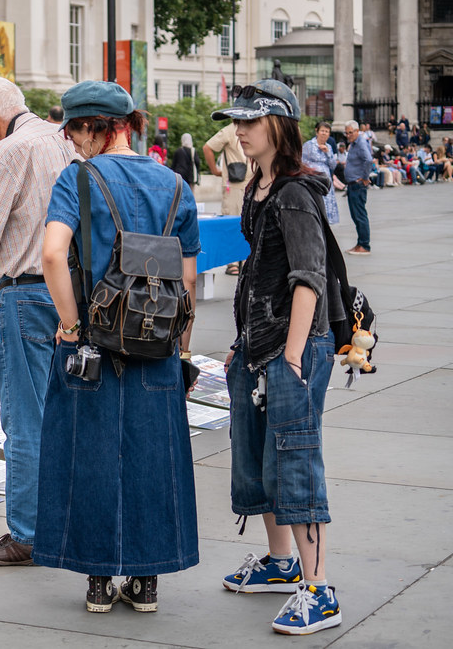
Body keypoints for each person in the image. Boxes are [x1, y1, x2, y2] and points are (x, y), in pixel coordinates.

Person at [34, 80, 200, 614]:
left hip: (94, 341)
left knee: (90, 455)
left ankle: (99, 581)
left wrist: (69, 325)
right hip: (158, 343)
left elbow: (53, 256)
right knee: (154, 457)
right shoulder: (175, 184)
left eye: (74, 131)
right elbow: (187, 281)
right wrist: (181, 352)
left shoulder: (78, 179)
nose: (71, 141)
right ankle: (146, 582)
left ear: (97, 128)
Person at [211, 78, 342, 636]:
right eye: (236, 122)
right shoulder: (258, 188)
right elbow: (259, 272)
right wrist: (243, 345)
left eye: (250, 122)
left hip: (295, 346)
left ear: (279, 126)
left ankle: (319, 590)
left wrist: (290, 357)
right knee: (259, 459)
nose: (239, 131)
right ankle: (281, 562)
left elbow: (309, 277)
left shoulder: (294, 193)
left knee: (294, 461)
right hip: (259, 346)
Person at [0, 77, 76, 566]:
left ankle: (28, 532)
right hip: (68, 295)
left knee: (25, 421)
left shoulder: (6, 153)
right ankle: (63, 522)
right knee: (64, 417)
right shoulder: (61, 140)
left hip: (24, 295)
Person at [204, 120, 254, 275]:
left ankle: (245, 259)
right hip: (234, 184)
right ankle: (232, 261)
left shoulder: (253, 128)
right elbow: (208, 147)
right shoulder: (229, 130)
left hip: (251, 182)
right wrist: (215, 170)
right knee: (233, 222)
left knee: (249, 223)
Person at [342, 120, 373, 255]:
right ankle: (360, 243)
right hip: (353, 184)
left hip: (357, 185)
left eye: (350, 132)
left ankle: (364, 245)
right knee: (356, 215)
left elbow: (368, 160)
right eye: (346, 133)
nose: (348, 135)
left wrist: (365, 177)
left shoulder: (360, 143)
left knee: (359, 215)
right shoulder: (354, 144)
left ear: (357, 131)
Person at [301, 121, 340, 224]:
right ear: (317, 131)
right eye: (322, 131)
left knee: (326, 205)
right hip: (313, 179)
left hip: (326, 181)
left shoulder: (329, 147)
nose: (324, 133)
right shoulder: (309, 145)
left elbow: (333, 165)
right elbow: (302, 162)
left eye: (327, 131)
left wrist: (327, 153)